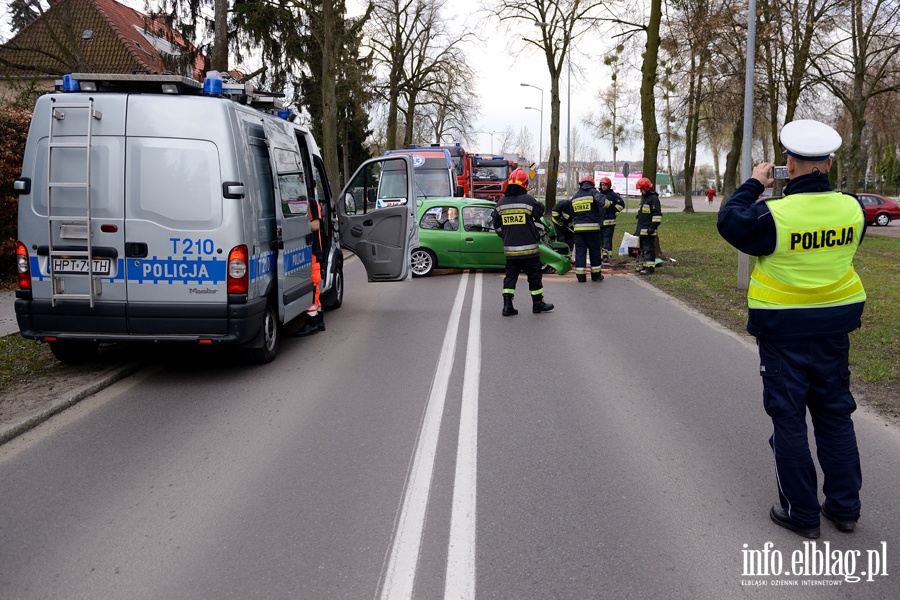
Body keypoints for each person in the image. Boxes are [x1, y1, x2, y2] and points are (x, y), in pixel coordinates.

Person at [717, 119, 867, 539]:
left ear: (790, 164)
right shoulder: (853, 208)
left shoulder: (771, 215)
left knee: (788, 420)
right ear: (829, 163)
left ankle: (799, 512)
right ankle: (844, 508)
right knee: (836, 417)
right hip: (835, 328)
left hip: (783, 332)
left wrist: (753, 183)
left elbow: (730, 222)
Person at [491, 168, 554, 316]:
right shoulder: (528, 200)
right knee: (534, 276)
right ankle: (538, 304)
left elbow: (497, 227)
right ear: (524, 185)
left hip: (511, 251)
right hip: (529, 251)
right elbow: (540, 212)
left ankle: (507, 306)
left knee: (510, 277)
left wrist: (507, 235)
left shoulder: (501, 203)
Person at [552, 176, 611, 282]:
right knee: (594, 252)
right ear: (592, 184)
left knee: (580, 252)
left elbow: (571, 213)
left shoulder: (575, 196)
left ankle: (581, 277)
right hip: (592, 230)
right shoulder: (594, 192)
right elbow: (604, 203)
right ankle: (596, 275)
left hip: (578, 230)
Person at [295, 196, 326, 336]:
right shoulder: (299, 202)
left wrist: (293, 225)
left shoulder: (312, 202)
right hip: (308, 250)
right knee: (314, 286)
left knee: (313, 286)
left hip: (313, 250)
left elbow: (315, 225)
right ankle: (319, 321)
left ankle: (312, 323)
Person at [634, 177, 662, 274]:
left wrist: (652, 227)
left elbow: (657, 215)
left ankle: (649, 268)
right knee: (643, 249)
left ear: (646, 188)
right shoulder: (645, 198)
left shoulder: (653, 199)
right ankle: (645, 266)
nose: (641, 192)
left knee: (649, 249)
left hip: (648, 230)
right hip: (642, 229)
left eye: (641, 190)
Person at [597, 177, 625, 262]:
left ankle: (607, 256)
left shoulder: (613, 195)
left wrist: (614, 212)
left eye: (605, 185)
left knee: (607, 239)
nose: (603, 187)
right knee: (600, 240)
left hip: (609, 222)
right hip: (600, 222)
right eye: (602, 185)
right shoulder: (598, 195)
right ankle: (603, 255)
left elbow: (621, 204)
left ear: (609, 186)